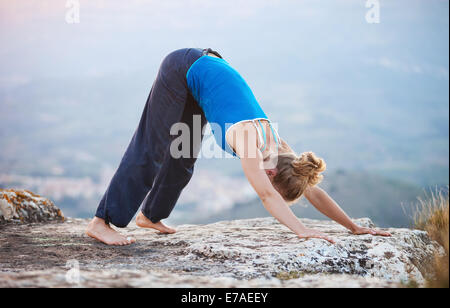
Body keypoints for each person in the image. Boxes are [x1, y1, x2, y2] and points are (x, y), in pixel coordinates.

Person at [86, 47, 391, 246]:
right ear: (272, 174)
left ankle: (149, 217)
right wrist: (301, 230)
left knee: (183, 158)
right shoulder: (251, 141)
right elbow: (266, 195)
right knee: (151, 149)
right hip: (183, 67)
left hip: (203, 79)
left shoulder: (283, 152)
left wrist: (353, 226)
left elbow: (310, 187)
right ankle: (101, 222)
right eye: (282, 193)